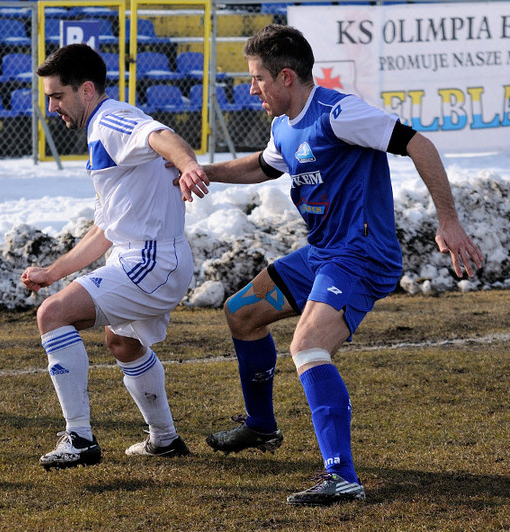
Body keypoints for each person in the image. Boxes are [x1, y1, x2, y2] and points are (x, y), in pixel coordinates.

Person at [178, 24, 484, 505]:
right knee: (242, 313)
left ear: (284, 77)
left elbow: (418, 144)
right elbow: (264, 165)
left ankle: (342, 477)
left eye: (256, 78)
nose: (251, 88)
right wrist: (203, 172)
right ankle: (260, 427)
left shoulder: (338, 113)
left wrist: (448, 220)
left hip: (362, 256)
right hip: (324, 254)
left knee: (307, 345)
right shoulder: (285, 124)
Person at [23, 43, 207, 470]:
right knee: (122, 342)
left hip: (152, 260)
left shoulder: (111, 119)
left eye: (57, 96)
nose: (52, 107)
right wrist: (53, 272)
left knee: (52, 315)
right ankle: (164, 440)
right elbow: (105, 229)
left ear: (86, 90)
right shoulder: (100, 133)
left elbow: (161, 136)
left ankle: (80, 439)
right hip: (140, 257)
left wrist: (190, 164)